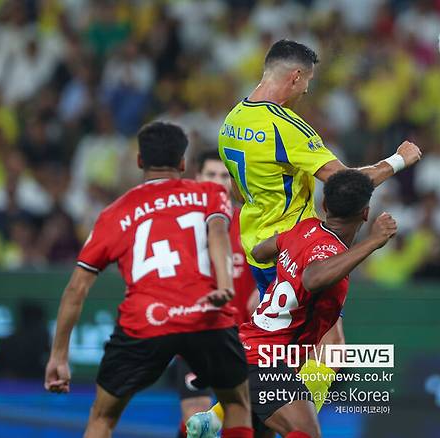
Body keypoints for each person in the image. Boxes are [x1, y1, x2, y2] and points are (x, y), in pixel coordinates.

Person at [218, 38, 421, 415]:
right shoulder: (288, 128)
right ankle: (271, 419)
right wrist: (399, 160)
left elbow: (237, 189)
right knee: (329, 351)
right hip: (298, 249)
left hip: (259, 246)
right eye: (307, 81)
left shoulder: (232, 121)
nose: (307, 90)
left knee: (284, 352)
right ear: (295, 77)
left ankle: (239, 418)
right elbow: (346, 183)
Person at [44, 122, 253, 438]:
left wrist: (59, 356)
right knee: (237, 404)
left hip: (144, 322)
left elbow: (77, 288)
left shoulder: (114, 213)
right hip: (207, 317)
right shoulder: (210, 193)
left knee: (102, 417)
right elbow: (218, 232)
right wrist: (224, 285)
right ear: (183, 164)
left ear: (140, 161)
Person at [244, 170, 395, 437]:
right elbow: (313, 278)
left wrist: (289, 253)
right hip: (267, 360)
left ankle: (214, 418)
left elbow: (260, 251)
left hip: (251, 348)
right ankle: (212, 420)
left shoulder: (304, 229)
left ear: (324, 205)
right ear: (366, 213)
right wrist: (373, 242)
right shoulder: (331, 252)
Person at [176, 151, 259, 438]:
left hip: (247, 343)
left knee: (255, 423)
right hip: (197, 339)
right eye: (210, 175)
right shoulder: (181, 229)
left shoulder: (252, 227)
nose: (217, 182)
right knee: (196, 425)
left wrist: (266, 291)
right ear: (197, 178)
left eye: (224, 176)